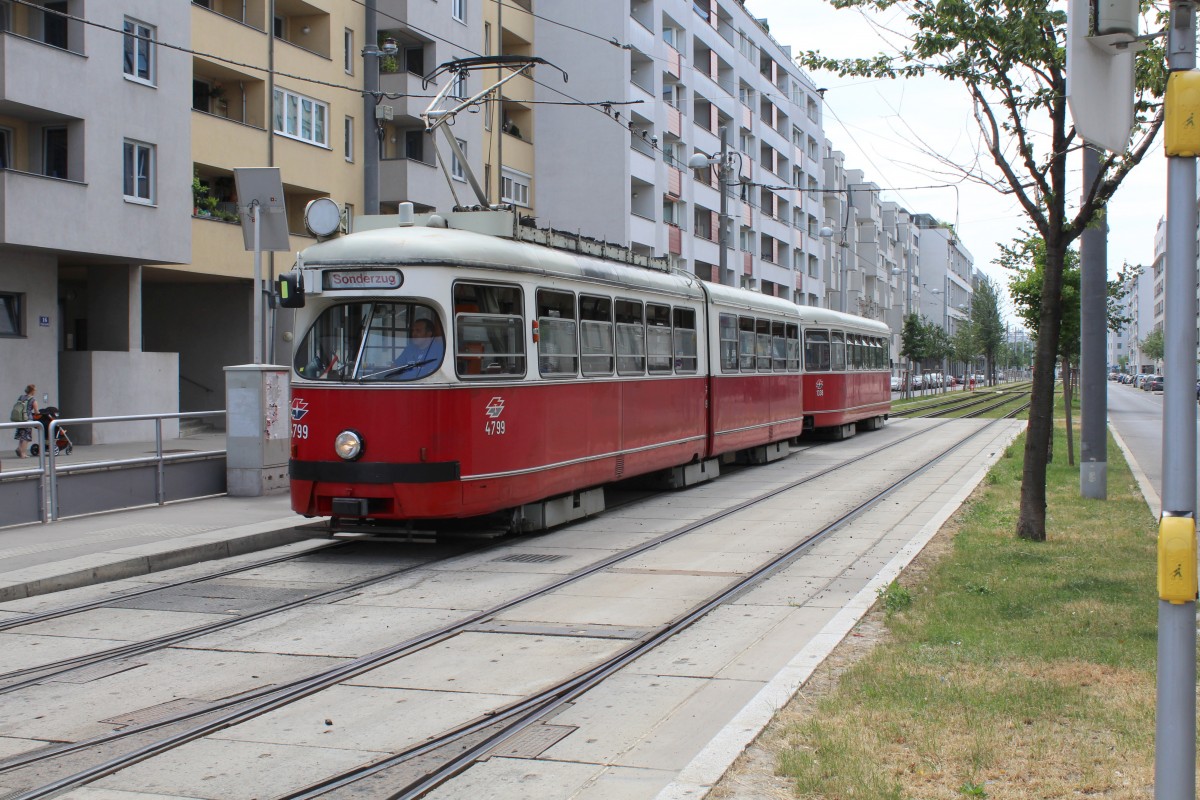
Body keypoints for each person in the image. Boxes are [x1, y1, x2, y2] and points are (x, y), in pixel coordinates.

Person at [13, 384, 38, 458]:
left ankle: (19, 448)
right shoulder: (33, 399)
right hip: (27, 419)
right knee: (26, 437)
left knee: (21, 435)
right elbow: (36, 411)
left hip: (20, 418)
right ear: (32, 391)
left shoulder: (21, 397)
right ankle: (23, 453)